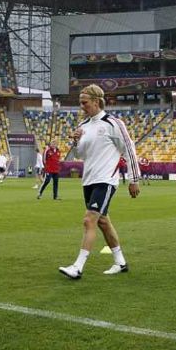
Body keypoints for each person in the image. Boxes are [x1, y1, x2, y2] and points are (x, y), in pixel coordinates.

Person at [59, 84, 140, 279]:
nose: (82, 106)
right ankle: (120, 262)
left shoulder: (113, 123)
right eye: (80, 103)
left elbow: (129, 150)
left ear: (96, 101)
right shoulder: (84, 126)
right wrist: (75, 141)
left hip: (106, 180)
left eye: (84, 103)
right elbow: (80, 154)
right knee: (103, 222)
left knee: (89, 220)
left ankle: (77, 267)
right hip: (89, 181)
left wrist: (133, 179)